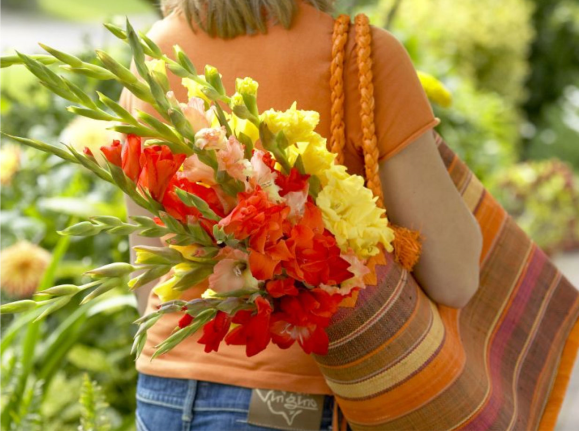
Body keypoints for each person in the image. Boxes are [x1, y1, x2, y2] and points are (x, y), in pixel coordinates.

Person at [120, 1, 483, 429]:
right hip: (290, 405)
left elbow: (147, 267)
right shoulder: (356, 55)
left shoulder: (153, 54)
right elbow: (456, 277)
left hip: (164, 388)